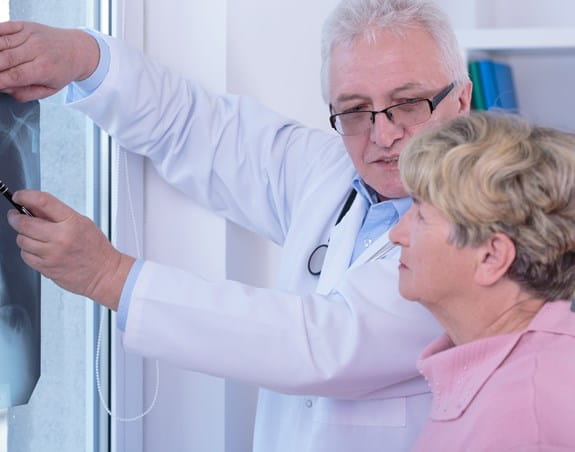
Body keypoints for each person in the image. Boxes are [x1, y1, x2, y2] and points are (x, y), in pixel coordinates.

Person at [0, 0, 472, 450]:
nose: (383, 135)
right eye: (353, 110)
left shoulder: (482, 233)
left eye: (409, 104)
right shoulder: (330, 170)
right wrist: (83, 56)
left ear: (462, 100)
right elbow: (194, 127)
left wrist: (108, 276)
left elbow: (320, 342)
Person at [389, 111, 575, 451]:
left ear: (491, 257)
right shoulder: (511, 374)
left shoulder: (524, 412)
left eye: (420, 215)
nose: (395, 234)